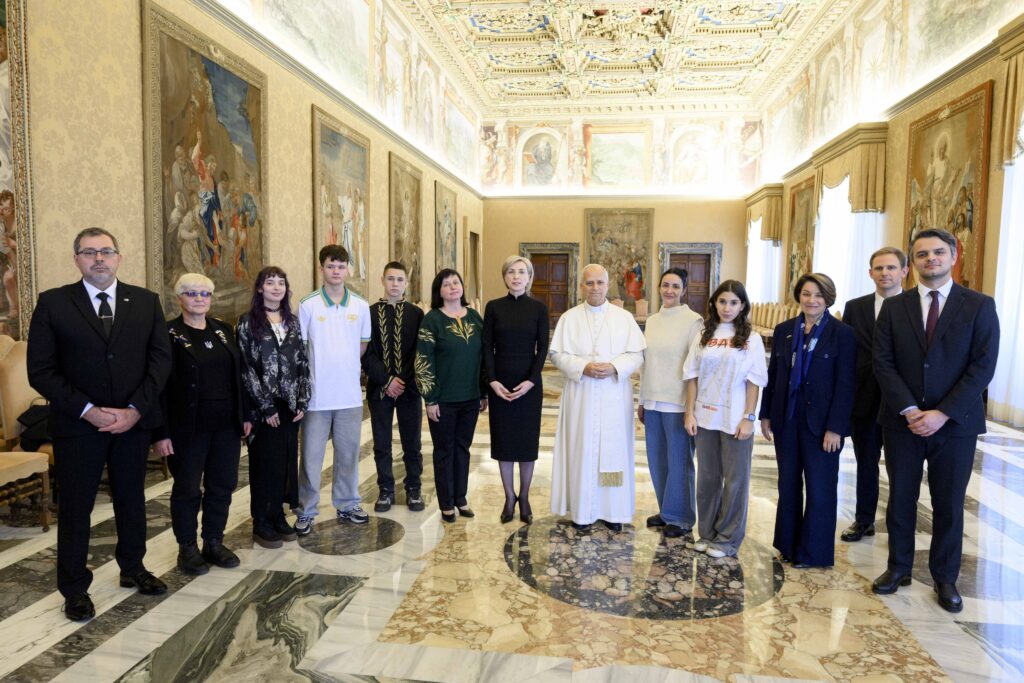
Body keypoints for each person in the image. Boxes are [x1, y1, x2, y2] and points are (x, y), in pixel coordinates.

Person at [27, 227, 172, 621]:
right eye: (89, 252)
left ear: (119, 257)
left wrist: (136, 411)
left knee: (132, 499)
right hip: (78, 425)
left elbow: (161, 363)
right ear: (76, 259)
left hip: (132, 423)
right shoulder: (54, 304)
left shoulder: (145, 302)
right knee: (76, 508)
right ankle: (74, 589)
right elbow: (40, 371)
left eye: (106, 251)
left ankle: (134, 568)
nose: (99, 259)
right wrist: (88, 410)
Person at [871, 228, 999, 613]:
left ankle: (945, 578)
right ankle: (898, 568)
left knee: (948, 504)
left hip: (955, 425)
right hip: (903, 423)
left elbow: (983, 366)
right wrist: (911, 410)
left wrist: (942, 413)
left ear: (953, 256)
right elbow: (883, 363)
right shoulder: (894, 307)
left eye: (938, 253)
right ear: (914, 263)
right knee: (901, 500)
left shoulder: (979, 305)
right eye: (923, 254)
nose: (931, 260)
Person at [153, 273, 251, 574]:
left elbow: (239, 377)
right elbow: (158, 387)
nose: (199, 299)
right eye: (192, 293)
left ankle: (213, 542)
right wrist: (161, 432)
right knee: (187, 490)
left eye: (205, 294)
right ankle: (187, 548)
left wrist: (245, 415)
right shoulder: (167, 334)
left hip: (226, 426)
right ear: (179, 298)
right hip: (187, 428)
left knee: (222, 486)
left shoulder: (223, 330)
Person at [760, 272, 856, 568]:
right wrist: (765, 414)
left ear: (828, 298)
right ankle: (787, 545)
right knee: (788, 484)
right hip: (787, 418)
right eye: (806, 294)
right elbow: (773, 375)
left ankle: (813, 553)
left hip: (822, 424)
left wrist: (836, 428)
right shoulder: (785, 330)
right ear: (798, 297)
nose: (811, 300)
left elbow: (846, 384)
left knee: (820, 487)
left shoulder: (843, 334)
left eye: (818, 295)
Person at [549, 264, 645, 532]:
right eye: (589, 283)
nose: (594, 288)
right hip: (581, 394)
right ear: (582, 286)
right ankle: (582, 512)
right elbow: (557, 354)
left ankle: (613, 512)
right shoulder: (569, 318)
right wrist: (583, 367)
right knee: (581, 449)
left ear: (607, 285)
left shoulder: (623, 318)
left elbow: (637, 354)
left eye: (599, 283)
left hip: (614, 395)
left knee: (612, 451)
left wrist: (615, 367)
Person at [683, 280, 768, 557]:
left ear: (742, 305)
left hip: (735, 419)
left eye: (733, 302)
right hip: (705, 418)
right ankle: (707, 534)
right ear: (714, 304)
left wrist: (749, 417)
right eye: (722, 302)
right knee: (707, 478)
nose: (727, 308)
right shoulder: (703, 335)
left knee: (735, 480)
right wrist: (689, 412)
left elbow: (754, 381)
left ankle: (728, 539)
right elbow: (692, 376)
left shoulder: (751, 339)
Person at [295, 245, 371, 533]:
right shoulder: (308, 304)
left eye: (341, 266)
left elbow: (362, 346)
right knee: (311, 457)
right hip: (316, 396)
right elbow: (302, 350)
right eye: (331, 266)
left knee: (348, 454)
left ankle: (348, 503)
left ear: (347, 269)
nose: (336, 271)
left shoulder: (361, 306)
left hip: (349, 396)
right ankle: (306, 510)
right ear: (321, 269)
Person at [237, 266, 310, 547]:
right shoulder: (247, 323)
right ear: (260, 289)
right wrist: (265, 407)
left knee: (285, 463)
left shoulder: (293, 322)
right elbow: (246, 368)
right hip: (263, 408)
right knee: (265, 463)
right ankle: (262, 520)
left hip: (290, 405)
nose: (276, 287)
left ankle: (279, 514)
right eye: (270, 283)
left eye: (281, 282)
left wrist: (303, 398)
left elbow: (302, 362)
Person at [840, 247, 908, 543]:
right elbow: (846, 352)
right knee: (866, 462)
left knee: (900, 468)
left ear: (904, 272)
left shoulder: (915, 305)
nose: (885, 273)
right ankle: (864, 520)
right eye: (879, 268)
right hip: (864, 397)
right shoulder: (855, 307)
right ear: (870, 273)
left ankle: (900, 525)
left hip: (901, 401)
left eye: (891, 268)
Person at [415, 268, 487, 524]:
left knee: (463, 449)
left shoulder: (476, 318)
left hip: (471, 397)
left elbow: (484, 357)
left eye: (456, 282)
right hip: (443, 399)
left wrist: (483, 391)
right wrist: (430, 398)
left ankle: (461, 498)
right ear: (439, 291)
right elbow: (423, 359)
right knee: (444, 450)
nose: (453, 287)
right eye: (446, 284)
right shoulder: (432, 320)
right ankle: (446, 503)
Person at [483, 256, 550, 524]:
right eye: (511, 271)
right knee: (504, 442)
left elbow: (543, 347)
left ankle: (525, 496)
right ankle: (509, 497)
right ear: (504, 276)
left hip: (529, 384)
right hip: (500, 382)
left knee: (525, 443)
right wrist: (492, 381)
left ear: (529, 277)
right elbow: (487, 346)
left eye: (522, 272)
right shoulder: (494, 307)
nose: (516, 276)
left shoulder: (538, 308)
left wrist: (531, 380)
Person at [637, 267, 702, 539]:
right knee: (657, 459)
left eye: (675, 286)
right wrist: (641, 399)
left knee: (679, 461)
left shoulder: (693, 320)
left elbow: (694, 366)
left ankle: (682, 517)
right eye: (665, 285)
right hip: (653, 399)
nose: (669, 290)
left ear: (683, 290)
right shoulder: (652, 320)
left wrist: (690, 408)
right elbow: (645, 362)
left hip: (677, 402)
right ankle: (666, 511)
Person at [362, 261, 425, 513]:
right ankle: (386, 489)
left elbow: (419, 353)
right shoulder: (369, 312)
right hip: (380, 389)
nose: (395, 284)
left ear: (406, 283)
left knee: (412, 441)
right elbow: (366, 354)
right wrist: (387, 380)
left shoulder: (416, 314)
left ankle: (414, 488)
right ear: (382, 280)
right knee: (381, 442)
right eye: (391, 279)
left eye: (400, 280)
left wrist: (402, 380)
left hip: (409, 389)